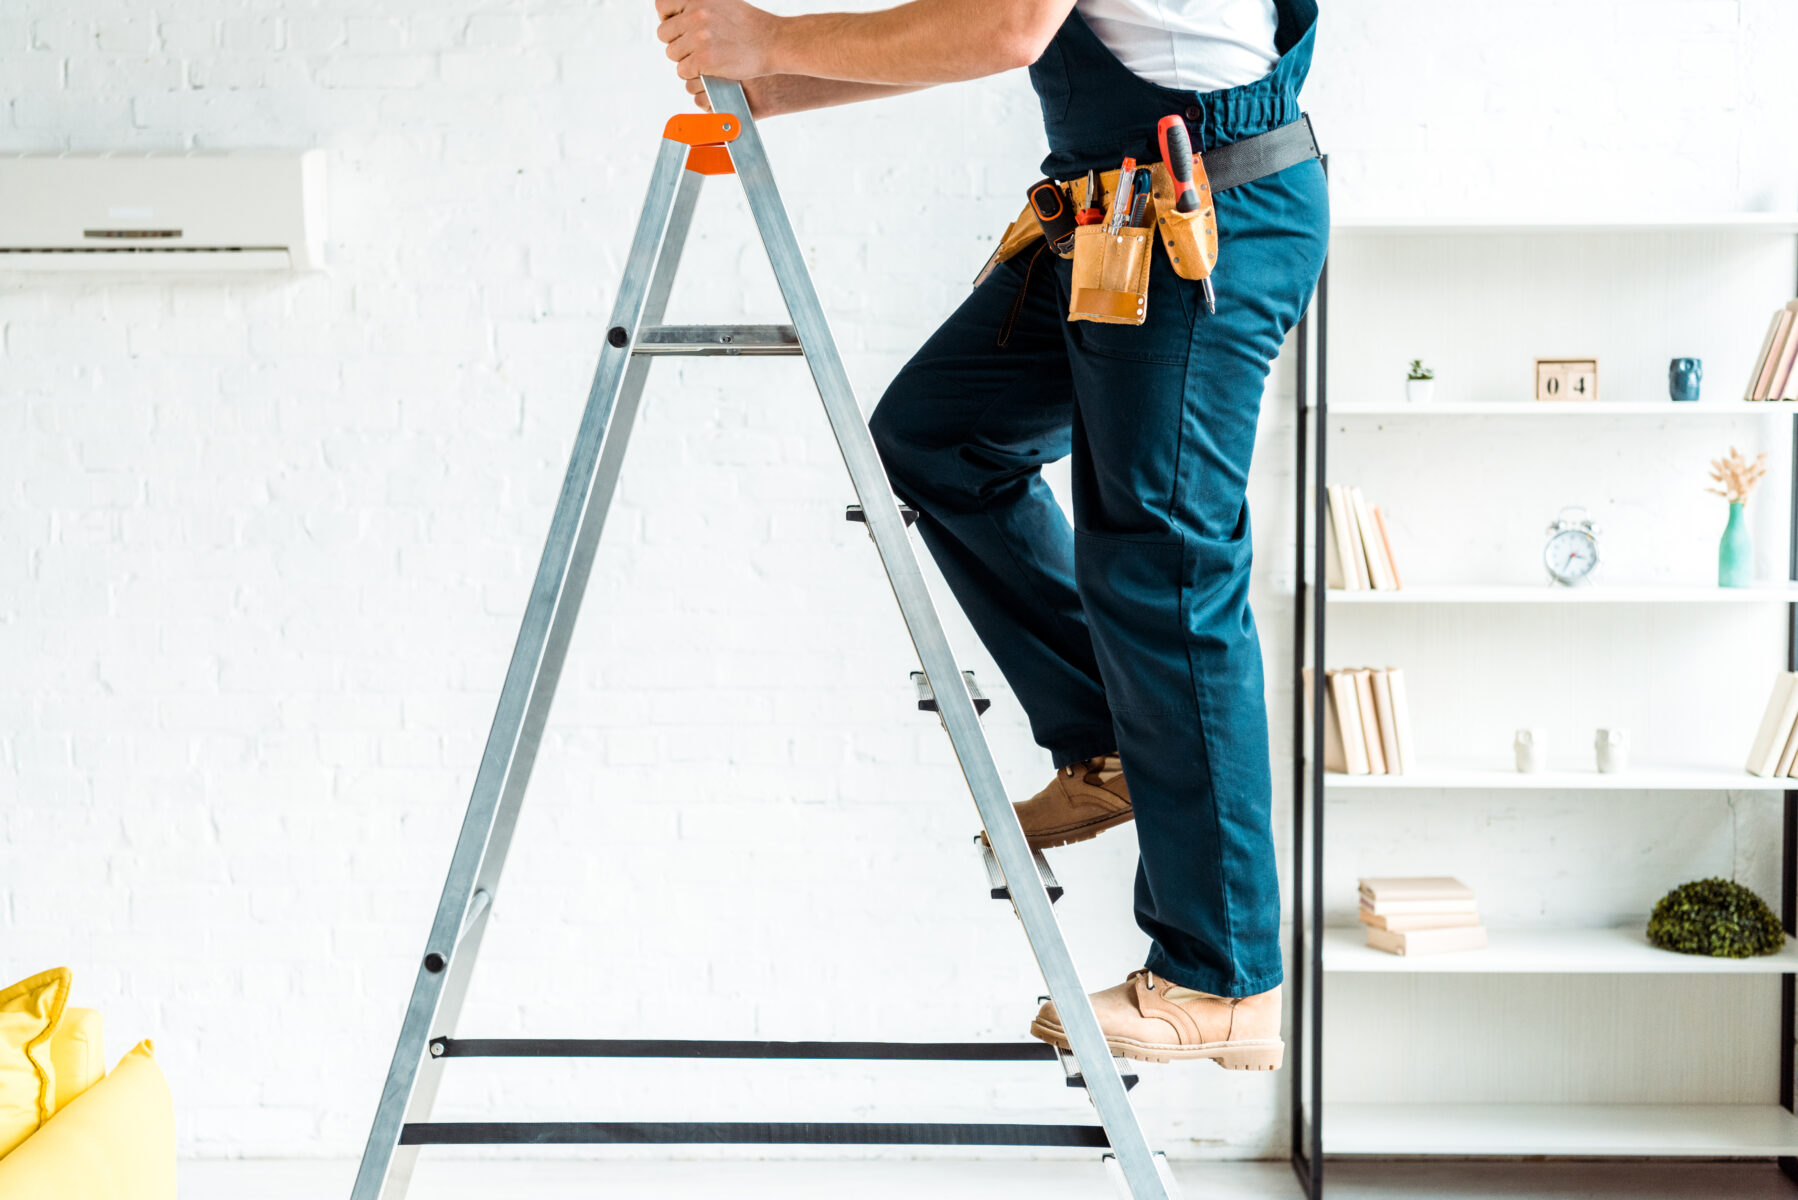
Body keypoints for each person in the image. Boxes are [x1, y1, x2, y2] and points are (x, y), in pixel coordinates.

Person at [656, 0, 1328, 1069]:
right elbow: (982, 29)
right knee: (941, 437)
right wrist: (782, 82)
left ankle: (1222, 979)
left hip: (1202, 212)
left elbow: (1006, 25)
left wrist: (772, 39)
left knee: (1165, 571)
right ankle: (1104, 736)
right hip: (1108, 210)